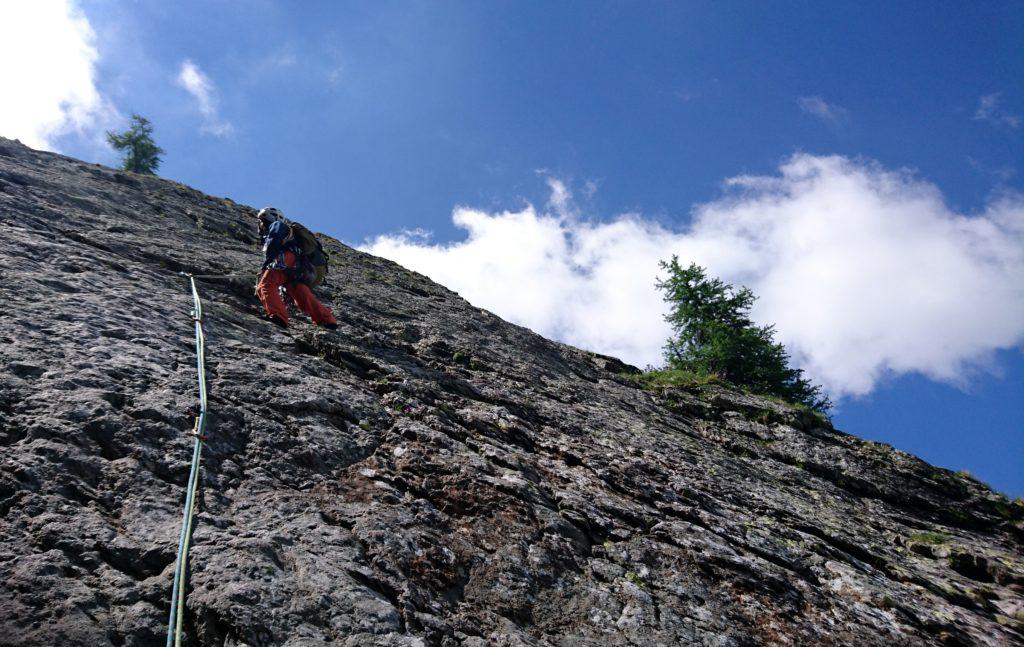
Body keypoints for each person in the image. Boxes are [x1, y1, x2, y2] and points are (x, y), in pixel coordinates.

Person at [255, 207, 337, 330]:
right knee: (298, 291)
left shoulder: (277, 225)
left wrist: (266, 264)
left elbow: (274, 241)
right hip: (303, 267)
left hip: (289, 259)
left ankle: (278, 316)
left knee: (266, 284)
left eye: (261, 221)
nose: (260, 225)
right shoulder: (293, 235)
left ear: (267, 218)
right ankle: (326, 320)